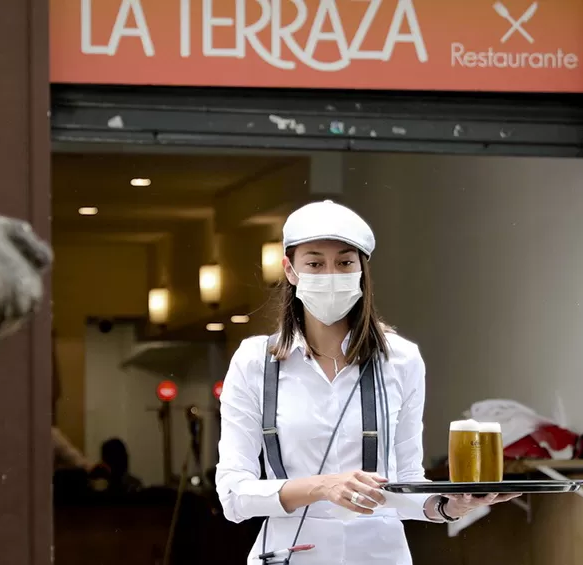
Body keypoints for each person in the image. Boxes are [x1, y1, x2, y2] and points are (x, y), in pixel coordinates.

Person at [215, 201, 518, 565]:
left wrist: (449, 506)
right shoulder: (255, 363)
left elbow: (406, 479)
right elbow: (234, 496)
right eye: (314, 263)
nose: (330, 274)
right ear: (290, 270)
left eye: (344, 262)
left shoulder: (401, 360)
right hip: (290, 555)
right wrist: (323, 487)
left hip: (380, 554)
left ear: (361, 271)